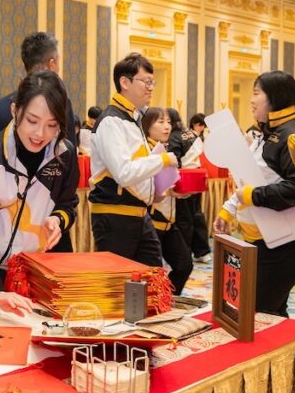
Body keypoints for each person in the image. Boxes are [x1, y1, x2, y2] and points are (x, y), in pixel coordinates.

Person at [0, 70, 79, 313]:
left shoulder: (64, 154)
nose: (40, 134)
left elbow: (68, 204)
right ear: (15, 111)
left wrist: (57, 220)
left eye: (52, 125)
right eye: (32, 121)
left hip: (27, 271)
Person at [214, 71, 295, 317]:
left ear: (275, 96)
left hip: (291, 238)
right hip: (268, 235)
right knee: (267, 309)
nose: (251, 100)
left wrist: (255, 196)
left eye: (256, 93)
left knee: (259, 308)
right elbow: (250, 177)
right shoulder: (270, 131)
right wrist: (229, 210)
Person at [89, 52, 174, 265]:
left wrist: (153, 193)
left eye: (152, 82)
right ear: (125, 82)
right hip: (115, 216)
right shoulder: (111, 121)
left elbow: (137, 168)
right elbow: (124, 173)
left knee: (153, 275)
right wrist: (163, 161)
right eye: (146, 81)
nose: (151, 87)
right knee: (118, 280)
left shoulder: (133, 119)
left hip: (138, 213)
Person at [0, 32, 79, 147]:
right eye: (32, 121)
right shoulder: (60, 105)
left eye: (51, 125)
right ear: (52, 64)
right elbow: (68, 151)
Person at [141, 108, 193, 294]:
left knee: (184, 265)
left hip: (170, 222)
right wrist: (168, 191)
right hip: (151, 221)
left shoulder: (165, 150)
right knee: (153, 274)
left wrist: (178, 190)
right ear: (147, 126)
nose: (167, 127)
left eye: (169, 122)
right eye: (161, 122)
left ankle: (166, 299)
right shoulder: (145, 152)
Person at [167, 107, 211, 264]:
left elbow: (174, 161)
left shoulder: (173, 137)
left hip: (184, 179)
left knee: (184, 218)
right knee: (197, 215)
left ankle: (184, 252)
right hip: (197, 177)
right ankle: (202, 251)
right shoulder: (190, 134)